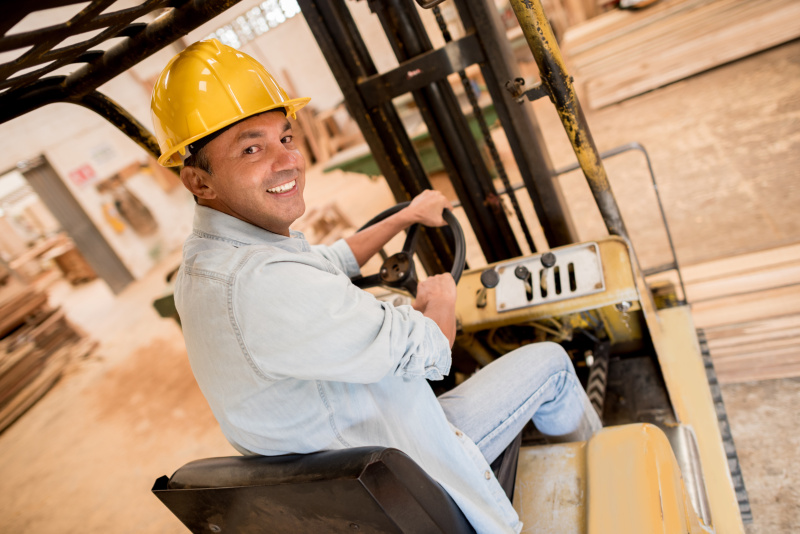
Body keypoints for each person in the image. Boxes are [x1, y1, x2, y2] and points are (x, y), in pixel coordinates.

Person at [152, 39, 601, 533]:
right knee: (554, 362)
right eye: (251, 148)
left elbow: (328, 261)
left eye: (285, 138)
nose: (288, 161)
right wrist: (440, 299)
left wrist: (405, 216)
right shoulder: (264, 285)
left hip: (342, 479)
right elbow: (434, 351)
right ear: (199, 181)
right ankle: (596, 481)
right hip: (409, 467)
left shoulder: (210, 263)